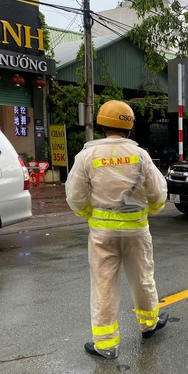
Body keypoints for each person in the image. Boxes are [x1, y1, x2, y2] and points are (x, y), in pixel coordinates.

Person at [65, 100, 169, 359]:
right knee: (143, 279)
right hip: (136, 232)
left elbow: (75, 196)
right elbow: (157, 193)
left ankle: (105, 345)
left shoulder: (87, 156)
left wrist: (88, 214)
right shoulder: (141, 156)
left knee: (103, 286)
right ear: (130, 127)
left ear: (101, 124)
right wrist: (152, 210)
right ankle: (148, 325)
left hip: (102, 235)